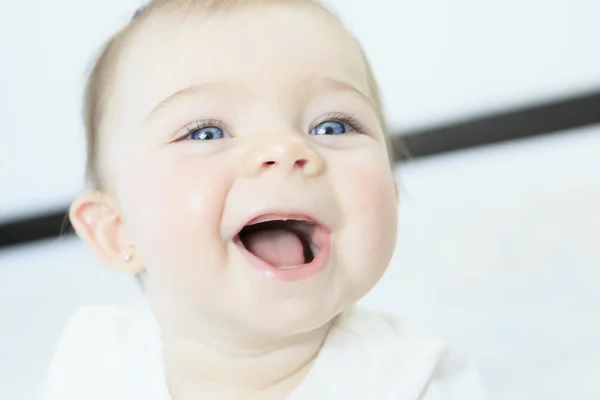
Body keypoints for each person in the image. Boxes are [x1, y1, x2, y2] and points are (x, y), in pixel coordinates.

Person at [43, 1, 487, 399]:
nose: (285, 149)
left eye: (332, 126)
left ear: (391, 191)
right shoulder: (94, 363)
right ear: (117, 229)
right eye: (206, 133)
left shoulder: (412, 380)